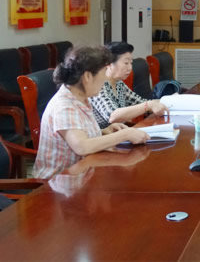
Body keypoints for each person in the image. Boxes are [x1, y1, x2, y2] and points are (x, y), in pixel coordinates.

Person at [33, 46, 150, 179]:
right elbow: (82, 147)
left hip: (84, 173)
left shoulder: (81, 97)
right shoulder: (64, 106)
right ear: (88, 76)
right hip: (60, 182)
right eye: (104, 73)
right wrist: (125, 134)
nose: (106, 79)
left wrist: (104, 130)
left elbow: (79, 133)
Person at [90, 41, 168, 129]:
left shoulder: (119, 84)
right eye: (126, 63)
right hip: (102, 135)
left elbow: (140, 102)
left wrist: (169, 100)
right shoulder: (98, 85)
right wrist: (148, 105)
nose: (130, 68)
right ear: (109, 64)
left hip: (120, 132)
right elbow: (113, 116)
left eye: (131, 63)